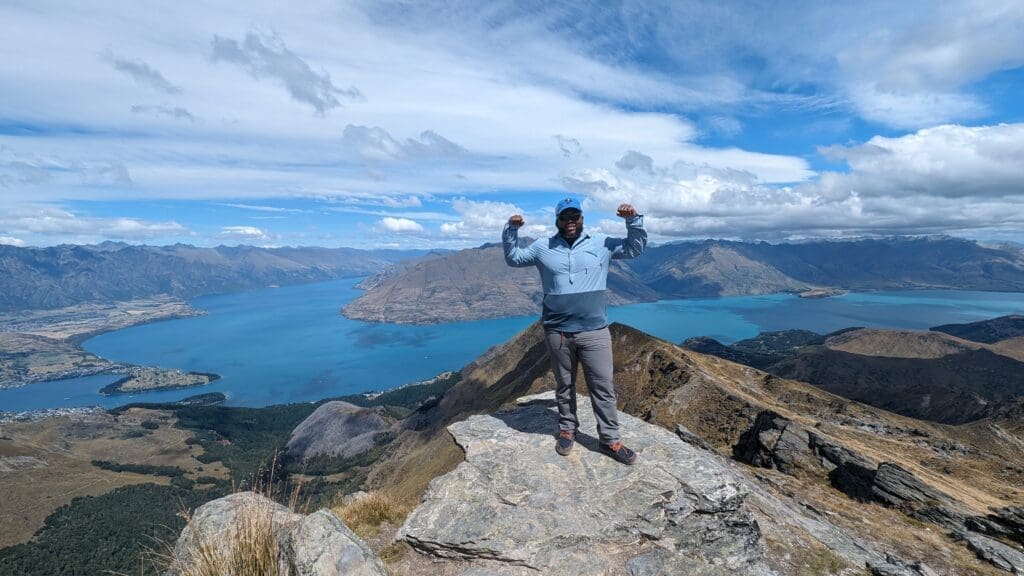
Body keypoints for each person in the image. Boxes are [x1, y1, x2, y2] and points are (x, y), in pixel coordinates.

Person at [502, 197, 647, 464]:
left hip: (594, 331)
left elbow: (635, 248)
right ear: (557, 219)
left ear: (582, 218)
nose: (570, 222)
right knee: (564, 384)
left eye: (575, 216)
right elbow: (513, 258)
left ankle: (610, 440)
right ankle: (567, 429)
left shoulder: (601, 243)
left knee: (603, 386)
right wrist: (512, 230)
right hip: (558, 331)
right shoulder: (542, 247)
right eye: (564, 217)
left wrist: (633, 220)